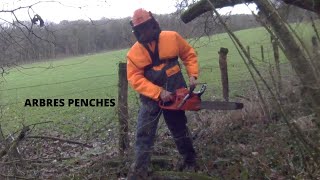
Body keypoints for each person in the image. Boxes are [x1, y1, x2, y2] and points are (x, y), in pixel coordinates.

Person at [126, 8, 199, 179]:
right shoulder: (134, 53)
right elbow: (135, 78)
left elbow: (189, 54)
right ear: (136, 31)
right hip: (151, 97)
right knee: (144, 131)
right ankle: (139, 170)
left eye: (146, 27)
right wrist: (158, 92)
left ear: (153, 23)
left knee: (179, 127)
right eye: (140, 29)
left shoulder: (171, 37)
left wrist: (193, 74)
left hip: (175, 91)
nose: (145, 31)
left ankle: (190, 161)